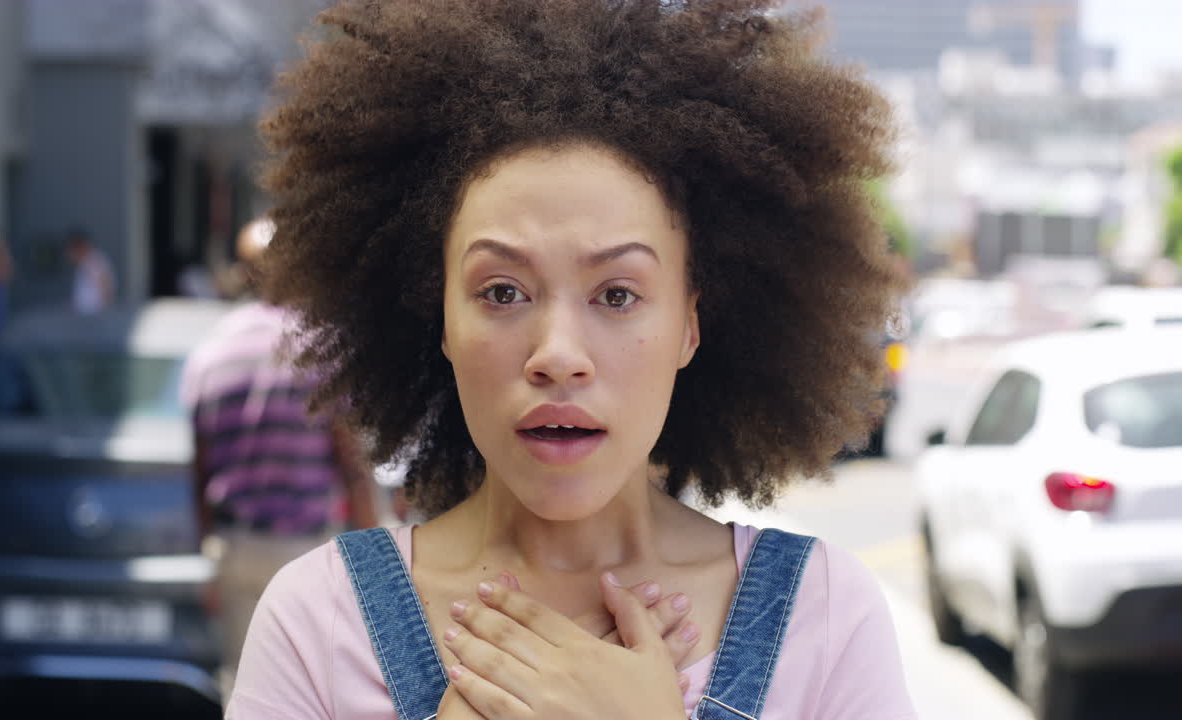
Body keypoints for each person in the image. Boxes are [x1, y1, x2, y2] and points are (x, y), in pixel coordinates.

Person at [230, 1, 915, 719]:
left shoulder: (827, 618)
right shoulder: (316, 622)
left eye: (617, 295)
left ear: (690, 325)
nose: (558, 356)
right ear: (441, 320)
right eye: (502, 291)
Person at [180, 216, 380, 698]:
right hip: (305, 551)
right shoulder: (319, 351)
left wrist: (205, 553)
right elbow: (352, 468)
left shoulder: (210, 353)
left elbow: (199, 471)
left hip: (234, 547)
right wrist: (376, 564)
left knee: (243, 687)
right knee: (311, 690)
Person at [65, 229, 115, 313]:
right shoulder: (83, 263)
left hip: (96, 315)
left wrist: (105, 314)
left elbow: (107, 291)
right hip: (87, 315)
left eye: (71, 250)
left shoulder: (94, 261)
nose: (69, 255)